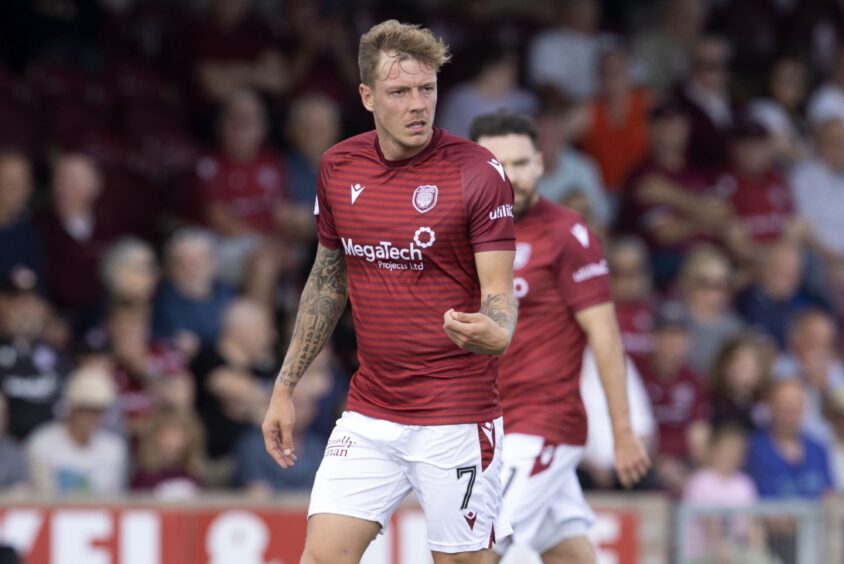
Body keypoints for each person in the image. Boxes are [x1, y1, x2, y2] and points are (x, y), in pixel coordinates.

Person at [260, 20, 518, 564]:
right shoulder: (337, 166)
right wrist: (285, 386)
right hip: (371, 413)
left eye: (427, 89)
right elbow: (327, 282)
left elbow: (498, 293)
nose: (418, 104)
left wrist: (498, 331)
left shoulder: (477, 171)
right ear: (367, 96)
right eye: (400, 92)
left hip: (456, 417)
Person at [469, 111, 649, 563]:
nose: (512, 176)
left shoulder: (567, 233)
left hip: (541, 425)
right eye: (498, 165)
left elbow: (605, 334)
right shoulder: (463, 233)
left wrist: (622, 431)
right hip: (489, 424)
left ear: (541, 164)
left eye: (522, 163)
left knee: (476, 550)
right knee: (571, 554)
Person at [637, 302, 710, 494]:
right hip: (645, 461)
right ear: (654, 337)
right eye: (667, 335)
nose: (673, 343)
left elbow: (698, 431)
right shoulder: (637, 373)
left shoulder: (693, 378)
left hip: (683, 462)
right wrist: (657, 463)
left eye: (679, 336)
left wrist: (698, 468)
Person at [26, 365, 128, 496]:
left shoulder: (113, 448)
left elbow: (115, 498)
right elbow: (41, 498)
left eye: (98, 411)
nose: (91, 417)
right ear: (71, 408)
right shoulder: (43, 444)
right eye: (85, 409)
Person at [746, 379, 834, 499]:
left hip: (814, 518)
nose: (792, 413)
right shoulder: (754, 449)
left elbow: (829, 493)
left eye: (796, 406)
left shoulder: (818, 449)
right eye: (786, 406)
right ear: (772, 407)